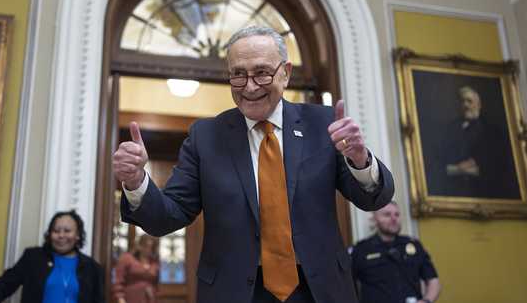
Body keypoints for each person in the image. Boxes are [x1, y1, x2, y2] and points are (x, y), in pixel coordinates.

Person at [113, 25, 394, 303]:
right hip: (235, 291)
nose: (249, 86)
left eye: (261, 72)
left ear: (285, 73)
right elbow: (168, 216)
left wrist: (360, 160)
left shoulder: (322, 123)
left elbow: (372, 199)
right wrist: (136, 182)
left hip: (318, 289)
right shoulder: (206, 136)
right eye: (238, 74)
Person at [0, 210, 105, 303]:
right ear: (50, 234)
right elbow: (3, 286)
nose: (61, 235)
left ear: (77, 236)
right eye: (56, 231)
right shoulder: (33, 258)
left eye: (67, 231)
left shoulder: (92, 268)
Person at [436, 85, 518, 198]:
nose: (465, 105)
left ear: (479, 105)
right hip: (455, 191)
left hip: (484, 190)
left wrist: (476, 162)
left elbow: (499, 161)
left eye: (469, 101)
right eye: (462, 101)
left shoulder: (492, 130)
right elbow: (441, 158)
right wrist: (456, 168)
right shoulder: (450, 129)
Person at [351, 201, 441, 303]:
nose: (394, 219)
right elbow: (347, 285)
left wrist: (426, 301)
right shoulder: (361, 249)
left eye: (397, 214)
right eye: (387, 215)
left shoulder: (413, 245)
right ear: (375, 219)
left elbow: (433, 281)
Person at [113, 234, 160, 303]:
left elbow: (156, 284)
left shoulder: (154, 262)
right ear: (139, 245)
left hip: (150, 299)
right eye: (146, 246)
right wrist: (120, 298)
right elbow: (118, 281)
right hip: (130, 298)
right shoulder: (127, 258)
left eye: (152, 247)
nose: (148, 249)